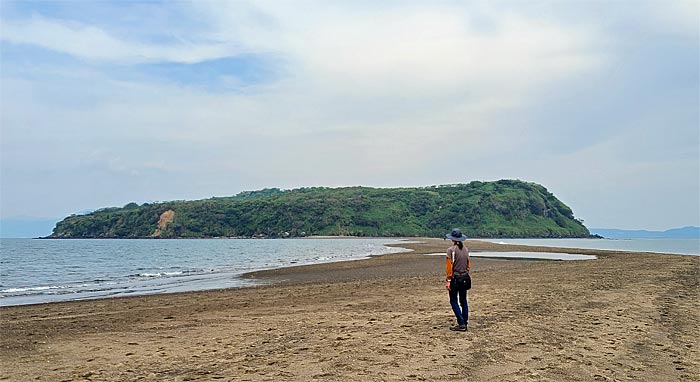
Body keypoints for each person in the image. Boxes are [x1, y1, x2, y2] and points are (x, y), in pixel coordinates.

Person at [445, 228, 471, 331]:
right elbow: (468, 264)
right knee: (463, 300)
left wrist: (448, 280)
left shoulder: (450, 250)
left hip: (455, 278)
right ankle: (465, 321)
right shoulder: (465, 249)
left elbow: (449, 267)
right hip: (464, 277)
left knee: (453, 300)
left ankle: (461, 323)